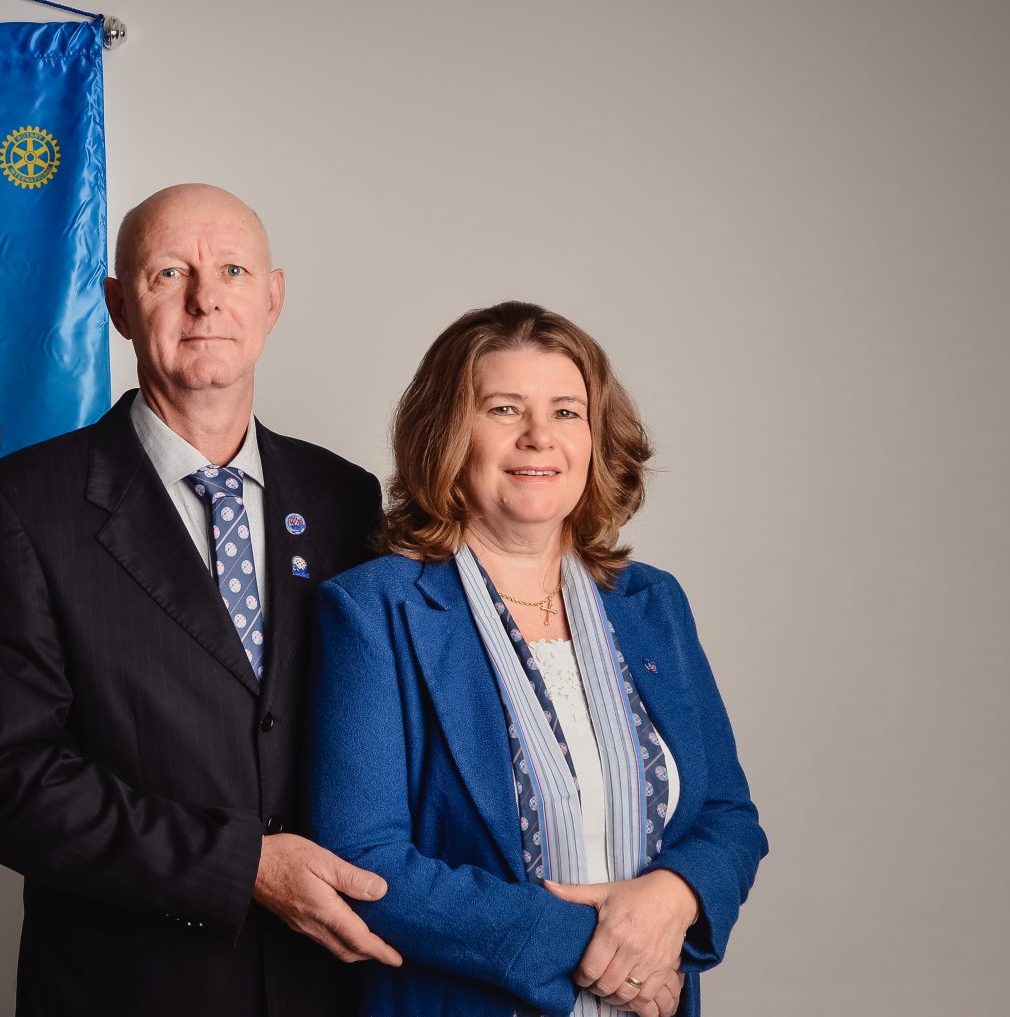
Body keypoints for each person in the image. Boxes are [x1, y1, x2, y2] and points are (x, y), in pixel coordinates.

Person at [0, 183, 400, 1017]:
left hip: (324, 984)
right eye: (168, 273)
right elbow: (4, 781)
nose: (205, 299)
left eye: (233, 270)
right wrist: (242, 866)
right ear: (119, 305)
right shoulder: (18, 508)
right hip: (127, 987)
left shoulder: (346, 497)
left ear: (273, 299)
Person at [310, 301, 766, 1017]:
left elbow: (729, 815)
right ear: (447, 436)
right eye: (504, 409)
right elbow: (364, 858)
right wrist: (609, 951)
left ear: (595, 437)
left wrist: (675, 897)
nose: (539, 437)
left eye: (565, 412)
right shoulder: (374, 609)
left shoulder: (653, 603)